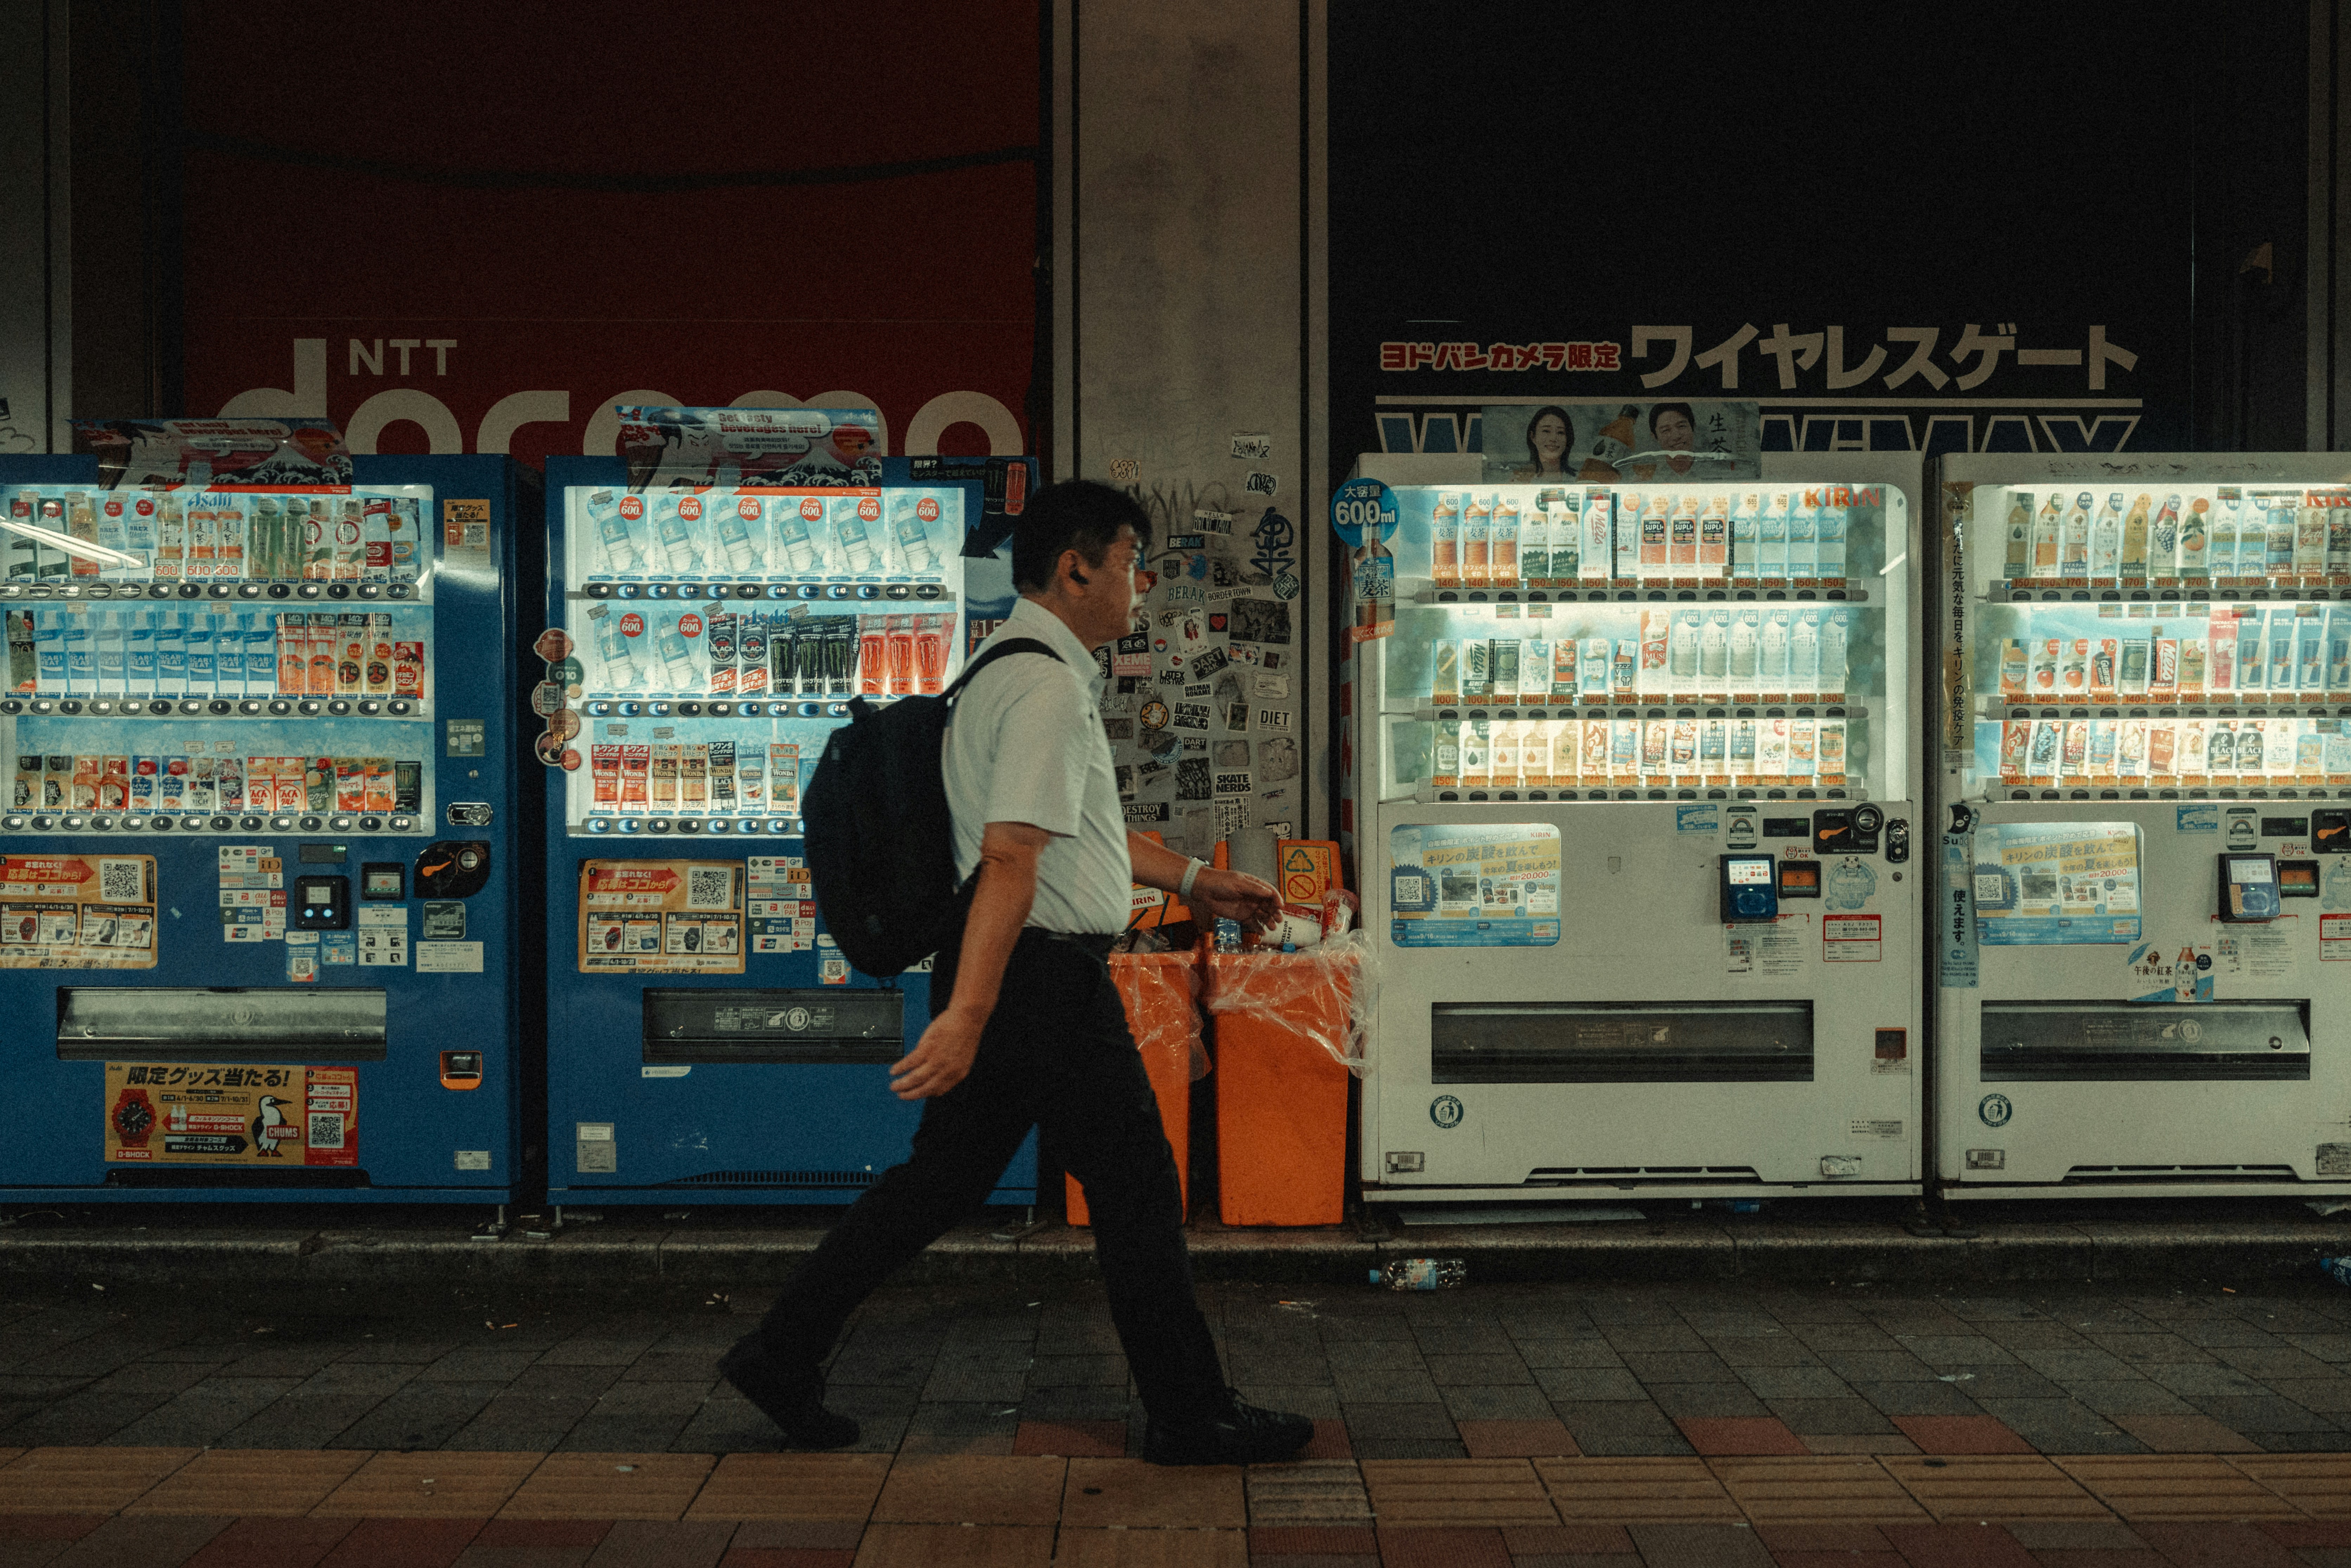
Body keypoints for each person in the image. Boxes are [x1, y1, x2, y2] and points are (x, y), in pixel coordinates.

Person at [721, 479, 1315, 1467]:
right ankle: (1191, 1411)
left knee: (940, 1185)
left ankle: (782, 1351)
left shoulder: (1010, 666)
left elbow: (1082, 829)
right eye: (1130, 562)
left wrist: (1199, 879)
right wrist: (967, 1013)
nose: (1141, 585)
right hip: (1037, 975)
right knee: (1135, 1189)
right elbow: (1011, 856)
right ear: (1077, 567)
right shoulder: (1044, 684)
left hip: (1021, 969)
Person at [1521, 405, 1574, 480]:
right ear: (1533, 437)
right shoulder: (1519, 479)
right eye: (1546, 431)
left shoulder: (1578, 479)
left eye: (1561, 432)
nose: (1553, 439)